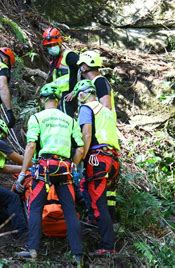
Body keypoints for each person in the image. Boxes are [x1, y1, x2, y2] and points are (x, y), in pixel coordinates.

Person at [15, 83, 84, 265]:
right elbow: (80, 148)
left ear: (42, 99)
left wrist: (23, 172)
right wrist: (74, 167)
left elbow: (31, 145)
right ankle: (78, 255)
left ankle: (33, 251)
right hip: (64, 167)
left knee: (35, 208)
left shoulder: (37, 118)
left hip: (44, 168)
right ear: (58, 99)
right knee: (70, 211)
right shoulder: (70, 120)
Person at [74, 79, 120, 256]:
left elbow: (86, 133)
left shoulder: (87, 108)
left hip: (97, 157)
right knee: (95, 192)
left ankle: (107, 246)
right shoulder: (107, 111)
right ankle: (96, 222)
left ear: (83, 93)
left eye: (79, 95)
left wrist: (81, 157)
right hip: (113, 157)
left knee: (97, 201)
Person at [41, 27, 80, 117]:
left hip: (68, 97)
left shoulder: (70, 56)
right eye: (49, 46)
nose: (51, 48)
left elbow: (83, 71)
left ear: (60, 42)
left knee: (66, 121)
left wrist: (75, 91)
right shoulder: (55, 60)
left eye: (53, 45)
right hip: (58, 96)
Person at [77, 50, 116, 118]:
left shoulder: (99, 81)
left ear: (85, 67)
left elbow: (107, 106)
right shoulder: (93, 83)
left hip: (102, 127)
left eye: (81, 65)